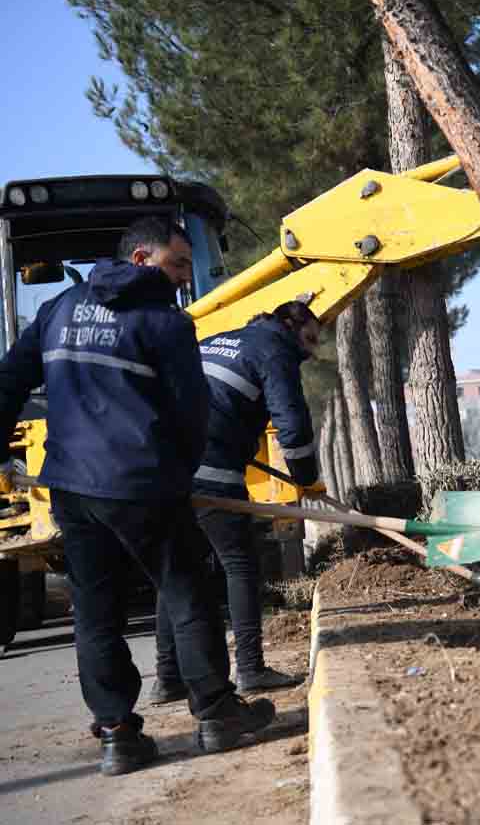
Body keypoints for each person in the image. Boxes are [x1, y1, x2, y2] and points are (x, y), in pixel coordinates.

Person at [0, 217, 274, 776]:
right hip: (144, 484)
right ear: (143, 260)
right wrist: (179, 473)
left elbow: (9, 380)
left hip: (72, 485)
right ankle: (216, 715)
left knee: (96, 610)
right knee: (186, 593)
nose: (180, 278)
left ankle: (117, 735)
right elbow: (190, 413)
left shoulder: (60, 309)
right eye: (177, 265)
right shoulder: (165, 323)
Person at [150, 300, 324, 701]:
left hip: (167, 471)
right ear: (288, 326)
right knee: (240, 564)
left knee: (175, 569)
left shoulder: (219, 340)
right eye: (310, 340)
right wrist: (307, 480)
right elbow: (292, 426)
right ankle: (250, 669)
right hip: (211, 472)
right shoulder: (275, 350)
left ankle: (167, 679)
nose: (313, 352)